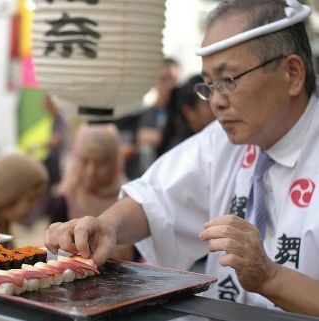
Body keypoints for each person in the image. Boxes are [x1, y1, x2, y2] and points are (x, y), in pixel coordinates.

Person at [44, 0, 319, 316]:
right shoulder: (227, 139)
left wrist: (270, 277)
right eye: (210, 85)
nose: (216, 101)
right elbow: (158, 199)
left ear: (293, 74)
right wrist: (107, 225)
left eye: (229, 79)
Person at [49, 124, 133, 261]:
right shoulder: (68, 198)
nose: (91, 171)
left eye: (100, 163)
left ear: (115, 161)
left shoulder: (131, 198)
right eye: (84, 161)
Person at [135, 58, 180, 174]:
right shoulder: (148, 112)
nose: (169, 85)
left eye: (173, 79)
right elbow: (142, 137)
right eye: (164, 79)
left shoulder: (184, 111)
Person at [157, 75, 215, 156]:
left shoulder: (217, 141)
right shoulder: (182, 153)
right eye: (208, 104)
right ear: (189, 111)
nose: (217, 105)